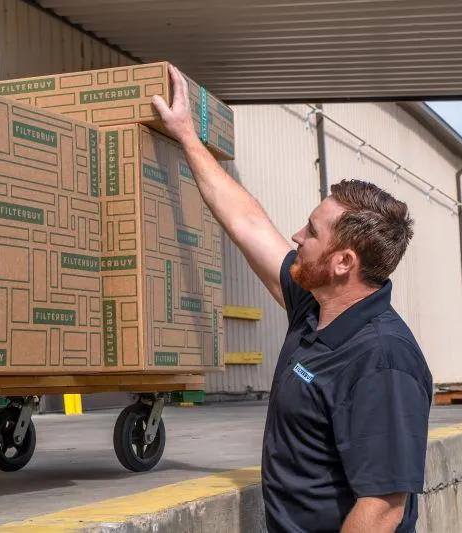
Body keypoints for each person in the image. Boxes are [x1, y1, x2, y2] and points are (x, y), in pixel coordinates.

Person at [152, 65, 433, 533]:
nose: (297, 235)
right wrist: (185, 135)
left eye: (312, 230)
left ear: (344, 262)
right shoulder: (315, 308)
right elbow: (247, 223)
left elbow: (383, 506)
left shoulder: (382, 358)